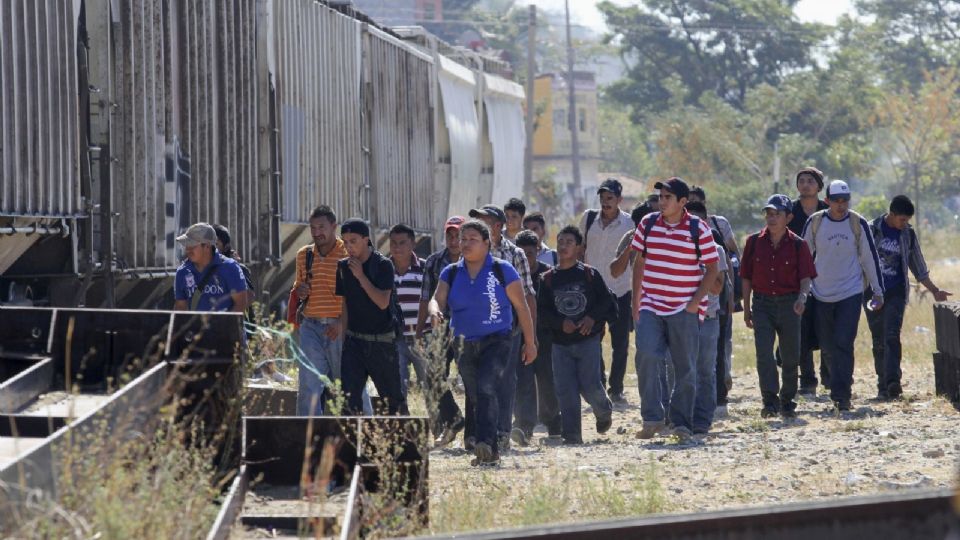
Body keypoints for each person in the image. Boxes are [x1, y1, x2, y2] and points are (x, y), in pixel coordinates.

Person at [427, 220, 537, 466]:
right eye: (462, 239)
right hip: (463, 343)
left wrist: (530, 343)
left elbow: (522, 307)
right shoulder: (452, 272)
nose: (464, 244)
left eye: (472, 239)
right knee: (476, 394)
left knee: (487, 387)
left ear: (486, 243)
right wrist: (434, 311)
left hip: (497, 339)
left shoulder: (503, 270)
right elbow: (437, 298)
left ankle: (487, 444)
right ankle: (488, 443)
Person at [631, 177, 719, 441]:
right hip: (650, 304)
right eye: (660, 196)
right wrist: (636, 300)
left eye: (668, 197)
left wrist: (695, 302)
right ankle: (653, 418)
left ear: (683, 202)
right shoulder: (647, 224)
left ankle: (681, 423)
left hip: (684, 308)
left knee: (686, 368)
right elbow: (639, 261)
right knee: (646, 354)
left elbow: (713, 268)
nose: (662, 201)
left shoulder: (698, 229)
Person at [801, 180, 884, 412]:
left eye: (845, 200)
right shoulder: (816, 222)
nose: (841, 205)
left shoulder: (857, 223)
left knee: (843, 343)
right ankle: (838, 383)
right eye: (836, 200)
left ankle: (842, 394)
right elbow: (803, 257)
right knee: (827, 345)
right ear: (826, 201)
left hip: (850, 291)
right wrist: (801, 291)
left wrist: (878, 291)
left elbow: (869, 257)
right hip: (821, 293)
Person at [866, 195, 952, 400]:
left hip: (895, 291)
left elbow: (919, 267)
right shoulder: (870, 229)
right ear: (891, 214)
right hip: (871, 291)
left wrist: (935, 290)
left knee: (892, 335)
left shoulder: (907, 234)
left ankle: (893, 382)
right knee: (878, 338)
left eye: (907, 220)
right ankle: (882, 384)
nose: (904, 224)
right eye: (902, 220)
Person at [468, 204, 537, 451]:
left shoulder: (515, 255)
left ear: (498, 227)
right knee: (478, 381)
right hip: (475, 327)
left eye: (484, 222)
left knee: (505, 380)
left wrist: (531, 338)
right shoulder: (470, 252)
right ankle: (479, 433)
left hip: (508, 329)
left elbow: (528, 296)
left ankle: (501, 433)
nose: (477, 227)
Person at [741, 195, 817, 418]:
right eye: (769, 214)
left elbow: (806, 277)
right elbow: (746, 277)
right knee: (764, 354)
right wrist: (746, 308)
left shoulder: (798, 244)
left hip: (789, 304)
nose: (772, 219)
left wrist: (802, 299)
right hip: (762, 304)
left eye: (777, 214)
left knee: (790, 356)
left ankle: (788, 398)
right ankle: (769, 400)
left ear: (789, 217)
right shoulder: (754, 242)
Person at [538, 226, 616, 444]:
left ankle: (603, 411)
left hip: (587, 341)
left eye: (569, 242)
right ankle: (572, 435)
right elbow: (542, 311)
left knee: (591, 384)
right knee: (565, 390)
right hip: (559, 344)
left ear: (579, 248)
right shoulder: (547, 279)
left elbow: (606, 302)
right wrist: (560, 323)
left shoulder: (590, 275)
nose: (563, 246)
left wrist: (592, 319)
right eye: (560, 241)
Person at [336, 218, 405, 415]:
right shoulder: (342, 267)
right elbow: (345, 304)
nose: (349, 246)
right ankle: (350, 445)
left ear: (366, 240)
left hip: (381, 343)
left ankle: (401, 443)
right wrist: (343, 341)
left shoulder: (383, 265)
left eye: (353, 241)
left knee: (392, 400)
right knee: (348, 402)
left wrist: (361, 276)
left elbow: (383, 302)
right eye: (345, 241)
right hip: (354, 342)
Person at [579, 178, 636, 407]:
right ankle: (599, 384)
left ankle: (617, 389)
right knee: (593, 339)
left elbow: (633, 257)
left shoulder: (629, 224)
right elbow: (581, 248)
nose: (605, 202)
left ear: (619, 200)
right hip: (593, 290)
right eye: (603, 198)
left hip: (621, 289)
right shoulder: (589, 218)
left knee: (620, 342)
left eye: (610, 198)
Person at [290, 207, 348, 416]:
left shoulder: (347, 252)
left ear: (334, 226)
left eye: (321, 227)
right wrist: (301, 290)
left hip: (339, 327)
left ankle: (361, 434)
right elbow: (299, 287)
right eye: (313, 228)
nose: (316, 233)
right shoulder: (303, 255)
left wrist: (342, 323)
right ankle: (308, 437)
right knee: (308, 386)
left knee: (348, 386)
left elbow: (355, 295)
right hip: (311, 326)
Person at [417, 216, 467, 447]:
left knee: (471, 378)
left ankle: (475, 435)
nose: (454, 240)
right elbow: (426, 297)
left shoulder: (474, 260)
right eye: (450, 235)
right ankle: (454, 418)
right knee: (433, 376)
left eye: (458, 235)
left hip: (468, 328)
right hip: (441, 328)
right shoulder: (435, 262)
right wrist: (419, 330)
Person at [684, 202, 730, 433]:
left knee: (705, 370)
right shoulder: (677, 248)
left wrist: (702, 270)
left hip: (708, 318)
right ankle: (682, 417)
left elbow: (717, 288)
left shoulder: (717, 251)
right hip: (681, 317)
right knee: (682, 369)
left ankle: (702, 420)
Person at [513, 230, 562, 442]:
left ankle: (553, 423)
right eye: (521, 253)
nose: (526, 258)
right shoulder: (509, 275)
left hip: (546, 336)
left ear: (538, 252)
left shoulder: (550, 275)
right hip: (519, 335)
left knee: (547, 380)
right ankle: (524, 426)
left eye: (530, 254)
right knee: (522, 381)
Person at [789, 167, 830, 395]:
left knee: (827, 327)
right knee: (801, 329)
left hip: (827, 277)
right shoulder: (790, 212)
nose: (805, 185)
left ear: (818, 186)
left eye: (810, 181)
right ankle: (807, 379)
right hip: (798, 280)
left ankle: (829, 376)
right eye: (801, 180)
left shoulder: (828, 211)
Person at [388, 224, 427, 404]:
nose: (397, 247)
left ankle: (440, 428)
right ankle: (402, 426)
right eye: (393, 243)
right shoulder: (384, 269)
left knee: (430, 387)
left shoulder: (426, 269)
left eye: (402, 243)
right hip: (396, 339)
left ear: (412, 244)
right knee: (397, 388)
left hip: (422, 338)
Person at [173, 222, 249, 313]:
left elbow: (241, 303)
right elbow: (180, 308)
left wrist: (225, 325)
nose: (187, 250)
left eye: (192, 245)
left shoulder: (230, 268)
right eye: (186, 245)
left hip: (226, 326)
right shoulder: (182, 272)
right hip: (196, 327)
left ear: (207, 246)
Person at [212, 224, 255, 307]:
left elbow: (249, 297)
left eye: (216, 244)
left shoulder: (238, 269)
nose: (210, 248)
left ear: (226, 247)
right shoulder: (197, 268)